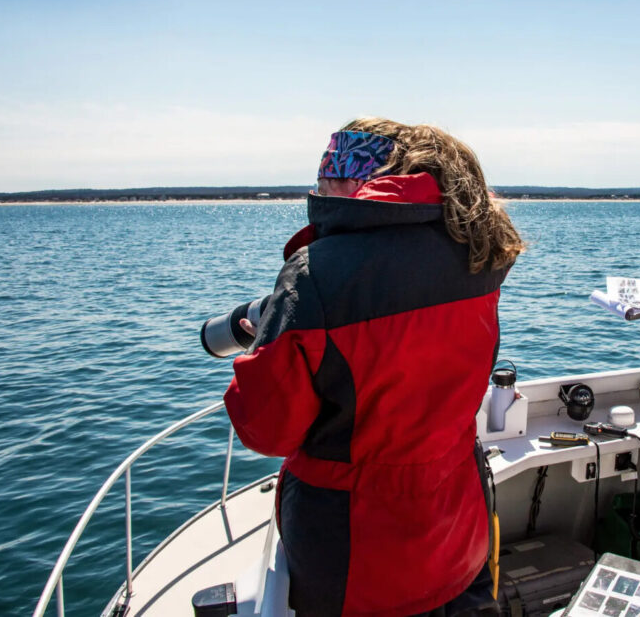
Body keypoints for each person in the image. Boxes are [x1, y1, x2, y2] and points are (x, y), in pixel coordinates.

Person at [224, 118, 524, 616]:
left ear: (350, 177)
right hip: (457, 533)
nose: (318, 184)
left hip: (358, 559)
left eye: (327, 170)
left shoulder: (316, 272)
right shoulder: (479, 251)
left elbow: (267, 430)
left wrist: (263, 348)